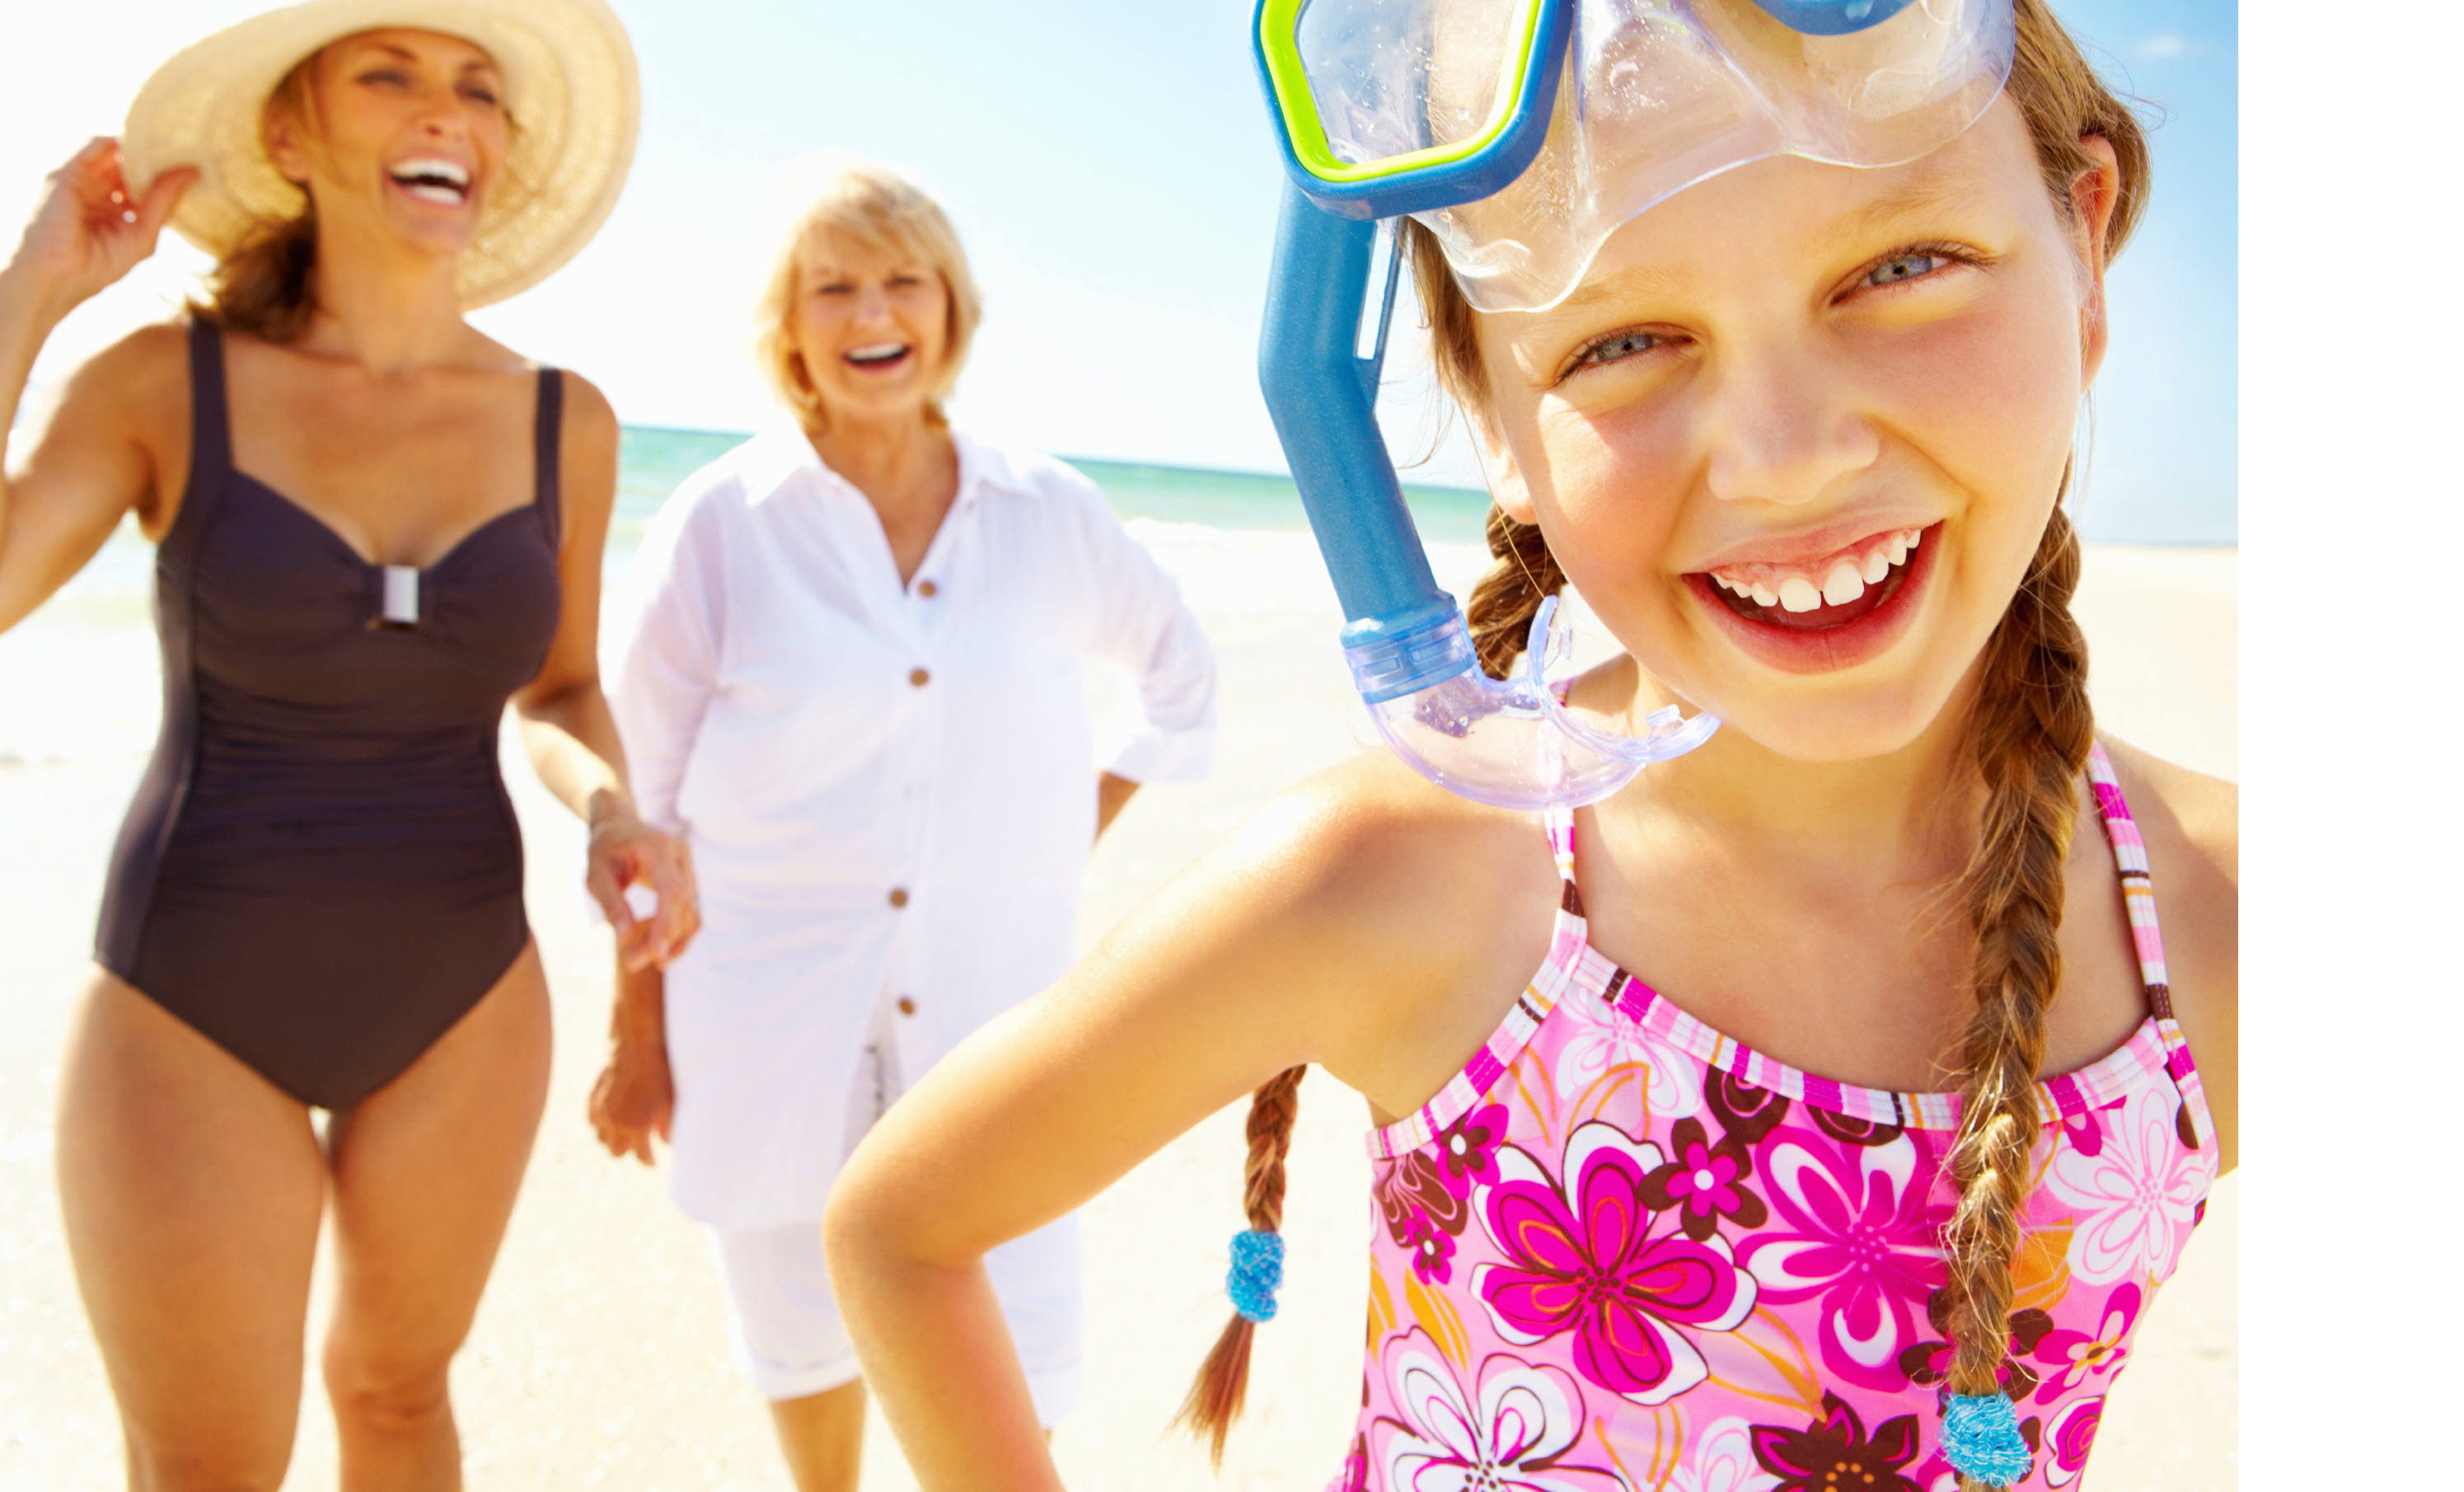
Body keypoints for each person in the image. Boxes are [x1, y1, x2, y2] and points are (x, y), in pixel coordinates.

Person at [822, 2, 2237, 1490]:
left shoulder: (2221, 929)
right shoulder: (1416, 886)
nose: (1785, 454)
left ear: (2083, 253)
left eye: (1901, 267)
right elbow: (902, 1228)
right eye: (1624, 339)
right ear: (1487, 409)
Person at [0, 2, 696, 1485]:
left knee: (397, 1399)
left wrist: (613, 813)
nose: (444, 110)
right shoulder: (160, 386)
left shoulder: (563, 421)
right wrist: (30, 293)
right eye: (387, 74)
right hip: (192, 1001)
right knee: (209, 1464)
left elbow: (560, 689)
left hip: (464, 992)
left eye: (476, 88)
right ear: (291, 135)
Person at [588, 157, 1217, 1492]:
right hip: (762, 999)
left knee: (1011, 1373)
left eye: (901, 280)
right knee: (801, 1347)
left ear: (949, 307)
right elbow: (642, 805)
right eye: (835, 285)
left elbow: (1178, 670)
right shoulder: (719, 520)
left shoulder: (1048, 512)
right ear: (790, 325)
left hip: (995, 1014)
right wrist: (632, 1032)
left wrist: (1059, 833)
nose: (872, 311)